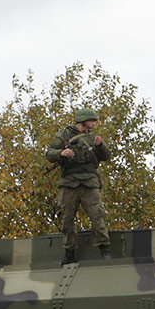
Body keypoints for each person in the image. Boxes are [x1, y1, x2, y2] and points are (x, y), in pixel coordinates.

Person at [45, 108, 112, 264]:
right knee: (66, 218)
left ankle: (104, 249)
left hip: (89, 182)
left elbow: (106, 156)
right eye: (92, 120)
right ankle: (69, 252)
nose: (94, 123)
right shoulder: (64, 135)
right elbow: (49, 153)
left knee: (97, 216)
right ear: (83, 120)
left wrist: (100, 145)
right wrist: (62, 153)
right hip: (69, 183)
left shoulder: (93, 138)